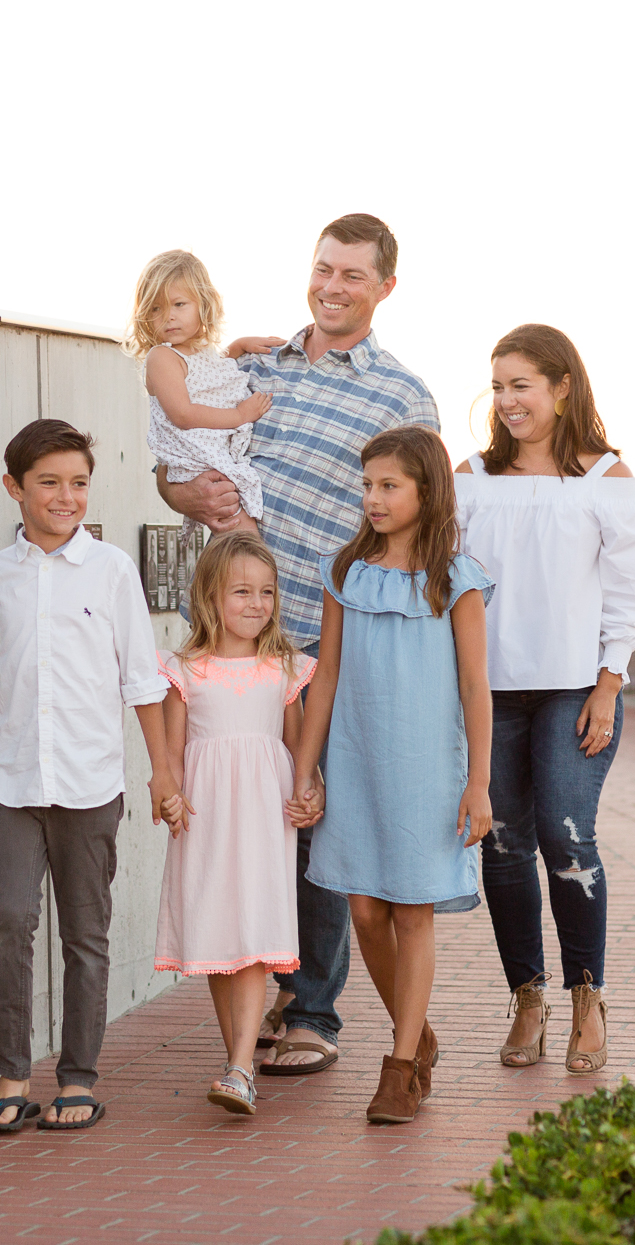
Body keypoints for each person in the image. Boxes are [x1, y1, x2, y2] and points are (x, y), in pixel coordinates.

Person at [159, 213, 437, 1076]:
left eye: (353, 275)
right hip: (228, 638)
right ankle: (256, 986)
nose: (333, 286)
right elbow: (177, 454)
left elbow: (416, 523)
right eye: (324, 269)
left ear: (384, 287)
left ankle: (310, 1006)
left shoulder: (404, 395)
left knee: (306, 816)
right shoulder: (246, 366)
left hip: (321, 640)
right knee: (230, 815)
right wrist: (183, 492)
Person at [0, 419, 181, 1134]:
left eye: (78, 482)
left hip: (89, 781)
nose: (66, 496)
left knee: (85, 932)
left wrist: (161, 771)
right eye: (49, 482)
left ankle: (78, 1076)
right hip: (11, 780)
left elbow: (143, 681)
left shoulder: (110, 571)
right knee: (7, 920)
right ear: (14, 487)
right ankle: (14, 1072)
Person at [454, 324, 635, 1076]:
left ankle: (586, 996)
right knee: (503, 845)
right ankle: (528, 997)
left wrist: (609, 684)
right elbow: (450, 580)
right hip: (492, 690)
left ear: (562, 386)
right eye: (498, 386)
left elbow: (633, 591)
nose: (507, 401)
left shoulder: (605, 478)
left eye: (522, 386)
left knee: (567, 838)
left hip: (577, 685)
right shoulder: (471, 475)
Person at [286, 426, 494, 1123]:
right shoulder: (345, 572)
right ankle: (419, 1029)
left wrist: (479, 782)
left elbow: (475, 685)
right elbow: (328, 674)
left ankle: (400, 1066)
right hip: (356, 759)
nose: (373, 498)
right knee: (365, 910)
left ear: (427, 491)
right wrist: (306, 767)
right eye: (367, 484)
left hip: (428, 766)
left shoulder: (456, 581)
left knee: (411, 908)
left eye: (389, 485)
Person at [153, 531, 315, 1116]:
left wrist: (309, 790)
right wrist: (168, 795)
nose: (256, 603)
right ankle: (237, 1065)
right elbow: (170, 755)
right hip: (207, 816)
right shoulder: (183, 669)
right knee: (218, 937)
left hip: (264, 816)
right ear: (209, 598)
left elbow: (298, 750)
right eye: (241, 591)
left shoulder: (284, 668)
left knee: (249, 934)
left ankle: (242, 1067)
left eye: (266, 592)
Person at [126, 250, 273, 537]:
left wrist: (238, 346)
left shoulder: (198, 353)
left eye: (179, 304)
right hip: (198, 463)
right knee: (244, 540)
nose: (168, 317)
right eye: (156, 309)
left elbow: (208, 376)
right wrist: (239, 415)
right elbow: (183, 414)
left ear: (203, 305)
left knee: (239, 541)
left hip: (211, 458)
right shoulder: (161, 358)